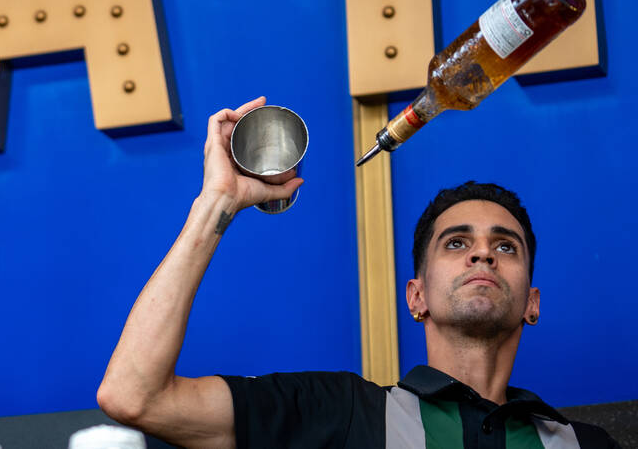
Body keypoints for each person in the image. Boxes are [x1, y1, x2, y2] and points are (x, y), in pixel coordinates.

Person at [96, 98, 620, 449]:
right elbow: (133, 395)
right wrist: (216, 204)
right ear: (416, 297)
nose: (482, 255)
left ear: (532, 301)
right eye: (456, 242)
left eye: (505, 246)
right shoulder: (340, 414)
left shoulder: (585, 444)